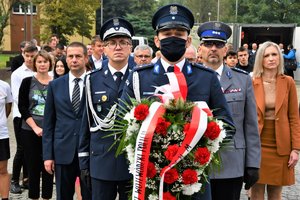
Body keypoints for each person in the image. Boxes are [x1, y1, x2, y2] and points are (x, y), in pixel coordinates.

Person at [120, 4, 235, 200]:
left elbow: (227, 125)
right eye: (167, 33)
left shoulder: (206, 78)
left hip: (194, 182)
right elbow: (121, 122)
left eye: (179, 33)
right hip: (151, 182)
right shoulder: (139, 77)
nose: (173, 37)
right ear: (157, 40)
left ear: (188, 40)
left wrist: (199, 152)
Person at [197, 21, 261, 200]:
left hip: (231, 163)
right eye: (208, 44)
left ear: (225, 50)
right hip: (195, 164)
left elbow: (250, 125)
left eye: (219, 44)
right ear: (200, 48)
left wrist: (253, 163)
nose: (213, 48)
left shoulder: (243, 80)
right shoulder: (187, 79)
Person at [78, 17, 135, 200]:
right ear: (104, 48)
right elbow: (85, 123)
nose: (117, 47)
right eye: (112, 43)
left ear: (130, 47)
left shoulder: (141, 78)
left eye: (123, 42)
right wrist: (84, 161)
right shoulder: (91, 80)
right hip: (101, 161)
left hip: (133, 161)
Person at [251, 41, 300, 199]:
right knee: (256, 190)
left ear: (280, 57)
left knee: (276, 192)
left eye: (274, 54)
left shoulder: (289, 82)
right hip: (257, 144)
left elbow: (294, 117)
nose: (271, 58)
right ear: (261, 59)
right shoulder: (251, 82)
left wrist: (296, 149)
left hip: (281, 145)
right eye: (267, 55)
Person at [43, 42, 91, 200]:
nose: (74, 60)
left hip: (90, 152)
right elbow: (49, 124)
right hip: (63, 152)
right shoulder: (55, 86)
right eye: (70, 56)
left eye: (78, 56)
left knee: (90, 195)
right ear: (66, 59)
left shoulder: (95, 82)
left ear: (85, 58)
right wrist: (48, 156)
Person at [18, 50, 54, 200]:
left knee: (49, 167)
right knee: (32, 167)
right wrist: (35, 127)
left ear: (50, 63)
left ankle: (46, 197)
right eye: (39, 61)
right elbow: (22, 107)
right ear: (34, 64)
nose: (42, 64)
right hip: (30, 130)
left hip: (50, 130)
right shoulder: (27, 82)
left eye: (45, 61)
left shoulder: (56, 82)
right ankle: (33, 197)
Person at [10, 44, 38, 194]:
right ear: (23, 55)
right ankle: (14, 180)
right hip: (21, 116)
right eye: (27, 56)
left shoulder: (40, 70)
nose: (29, 59)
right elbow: (16, 98)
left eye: (32, 56)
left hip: (37, 117)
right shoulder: (18, 74)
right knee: (21, 148)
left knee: (32, 148)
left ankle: (27, 179)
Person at [0, 79, 13, 200]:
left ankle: (5, 198)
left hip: (1, 134)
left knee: (3, 169)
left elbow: (8, 107)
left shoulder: (4, 86)